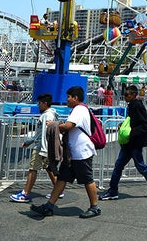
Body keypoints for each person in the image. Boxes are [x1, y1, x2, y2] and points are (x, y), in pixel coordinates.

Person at [30, 86, 101, 219]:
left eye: (68, 97)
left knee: (87, 179)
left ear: (75, 98)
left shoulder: (79, 109)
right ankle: (49, 206)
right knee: (62, 178)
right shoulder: (79, 109)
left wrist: (54, 124)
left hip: (81, 153)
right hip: (72, 153)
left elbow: (68, 126)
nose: (67, 99)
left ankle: (95, 207)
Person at [98, 84, 147, 201]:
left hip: (134, 142)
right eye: (125, 95)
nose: (125, 97)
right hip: (131, 142)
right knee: (121, 165)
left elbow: (145, 124)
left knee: (139, 165)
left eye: (127, 95)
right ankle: (113, 190)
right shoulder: (133, 105)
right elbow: (133, 122)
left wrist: (131, 133)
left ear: (134, 95)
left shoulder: (137, 105)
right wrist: (124, 126)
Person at [10, 93, 60, 203]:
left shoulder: (46, 116)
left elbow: (44, 134)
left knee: (33, 169)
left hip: (41, 147)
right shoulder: (53, 114)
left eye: (40, 103)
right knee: (49, 168)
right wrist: (29, 142)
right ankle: (58, 190)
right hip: (46, 147)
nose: (38, 105)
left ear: (45, 103)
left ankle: (25, 194)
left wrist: (43, 150)